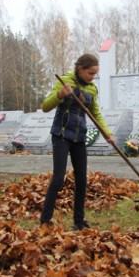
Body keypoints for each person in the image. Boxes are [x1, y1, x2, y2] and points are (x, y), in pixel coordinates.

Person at [40, 53, 116, 230]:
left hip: (79, 137)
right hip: (61, 134)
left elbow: (95, 113)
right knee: (58, 178)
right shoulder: (65, 81)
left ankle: (79, 221)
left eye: (95, 73)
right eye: (90, 73)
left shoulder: (91, 89)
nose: (93, 77)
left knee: (82, 180)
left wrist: (107, 133)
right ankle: (45, 221)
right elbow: (45, 107)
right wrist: (60, 94)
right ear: (80, 70)